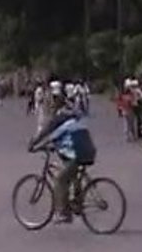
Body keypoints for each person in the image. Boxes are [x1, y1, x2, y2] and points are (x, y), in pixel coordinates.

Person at [29, 88, 97, 223]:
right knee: (72, 174)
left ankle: (63, 213)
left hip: (77, 153)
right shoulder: (73, 114)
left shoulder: (59, 118)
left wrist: (33, 145)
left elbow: (46, 133)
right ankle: (76, 201)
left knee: (60, 180)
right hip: (88, 150)